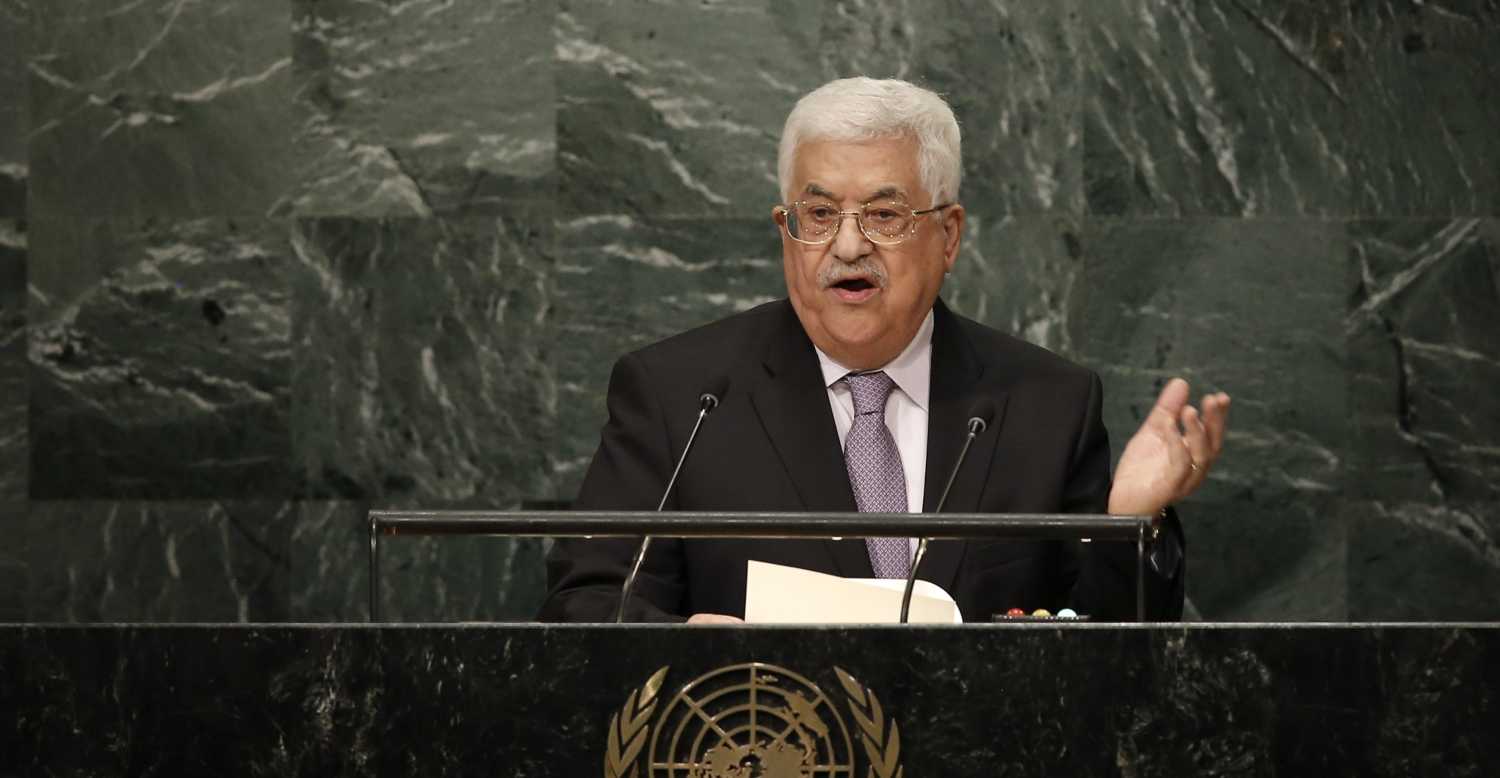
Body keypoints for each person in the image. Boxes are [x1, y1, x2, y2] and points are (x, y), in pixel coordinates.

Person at [539, 77, 1229, 624]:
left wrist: (1129, 526)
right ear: (786, 228)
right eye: (818, 214)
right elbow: (586, 604)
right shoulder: (680, 396)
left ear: (949, 235)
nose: (846, 246)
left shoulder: (1047, 405)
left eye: (884, 214)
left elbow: (1112, 653)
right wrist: (684, 647)